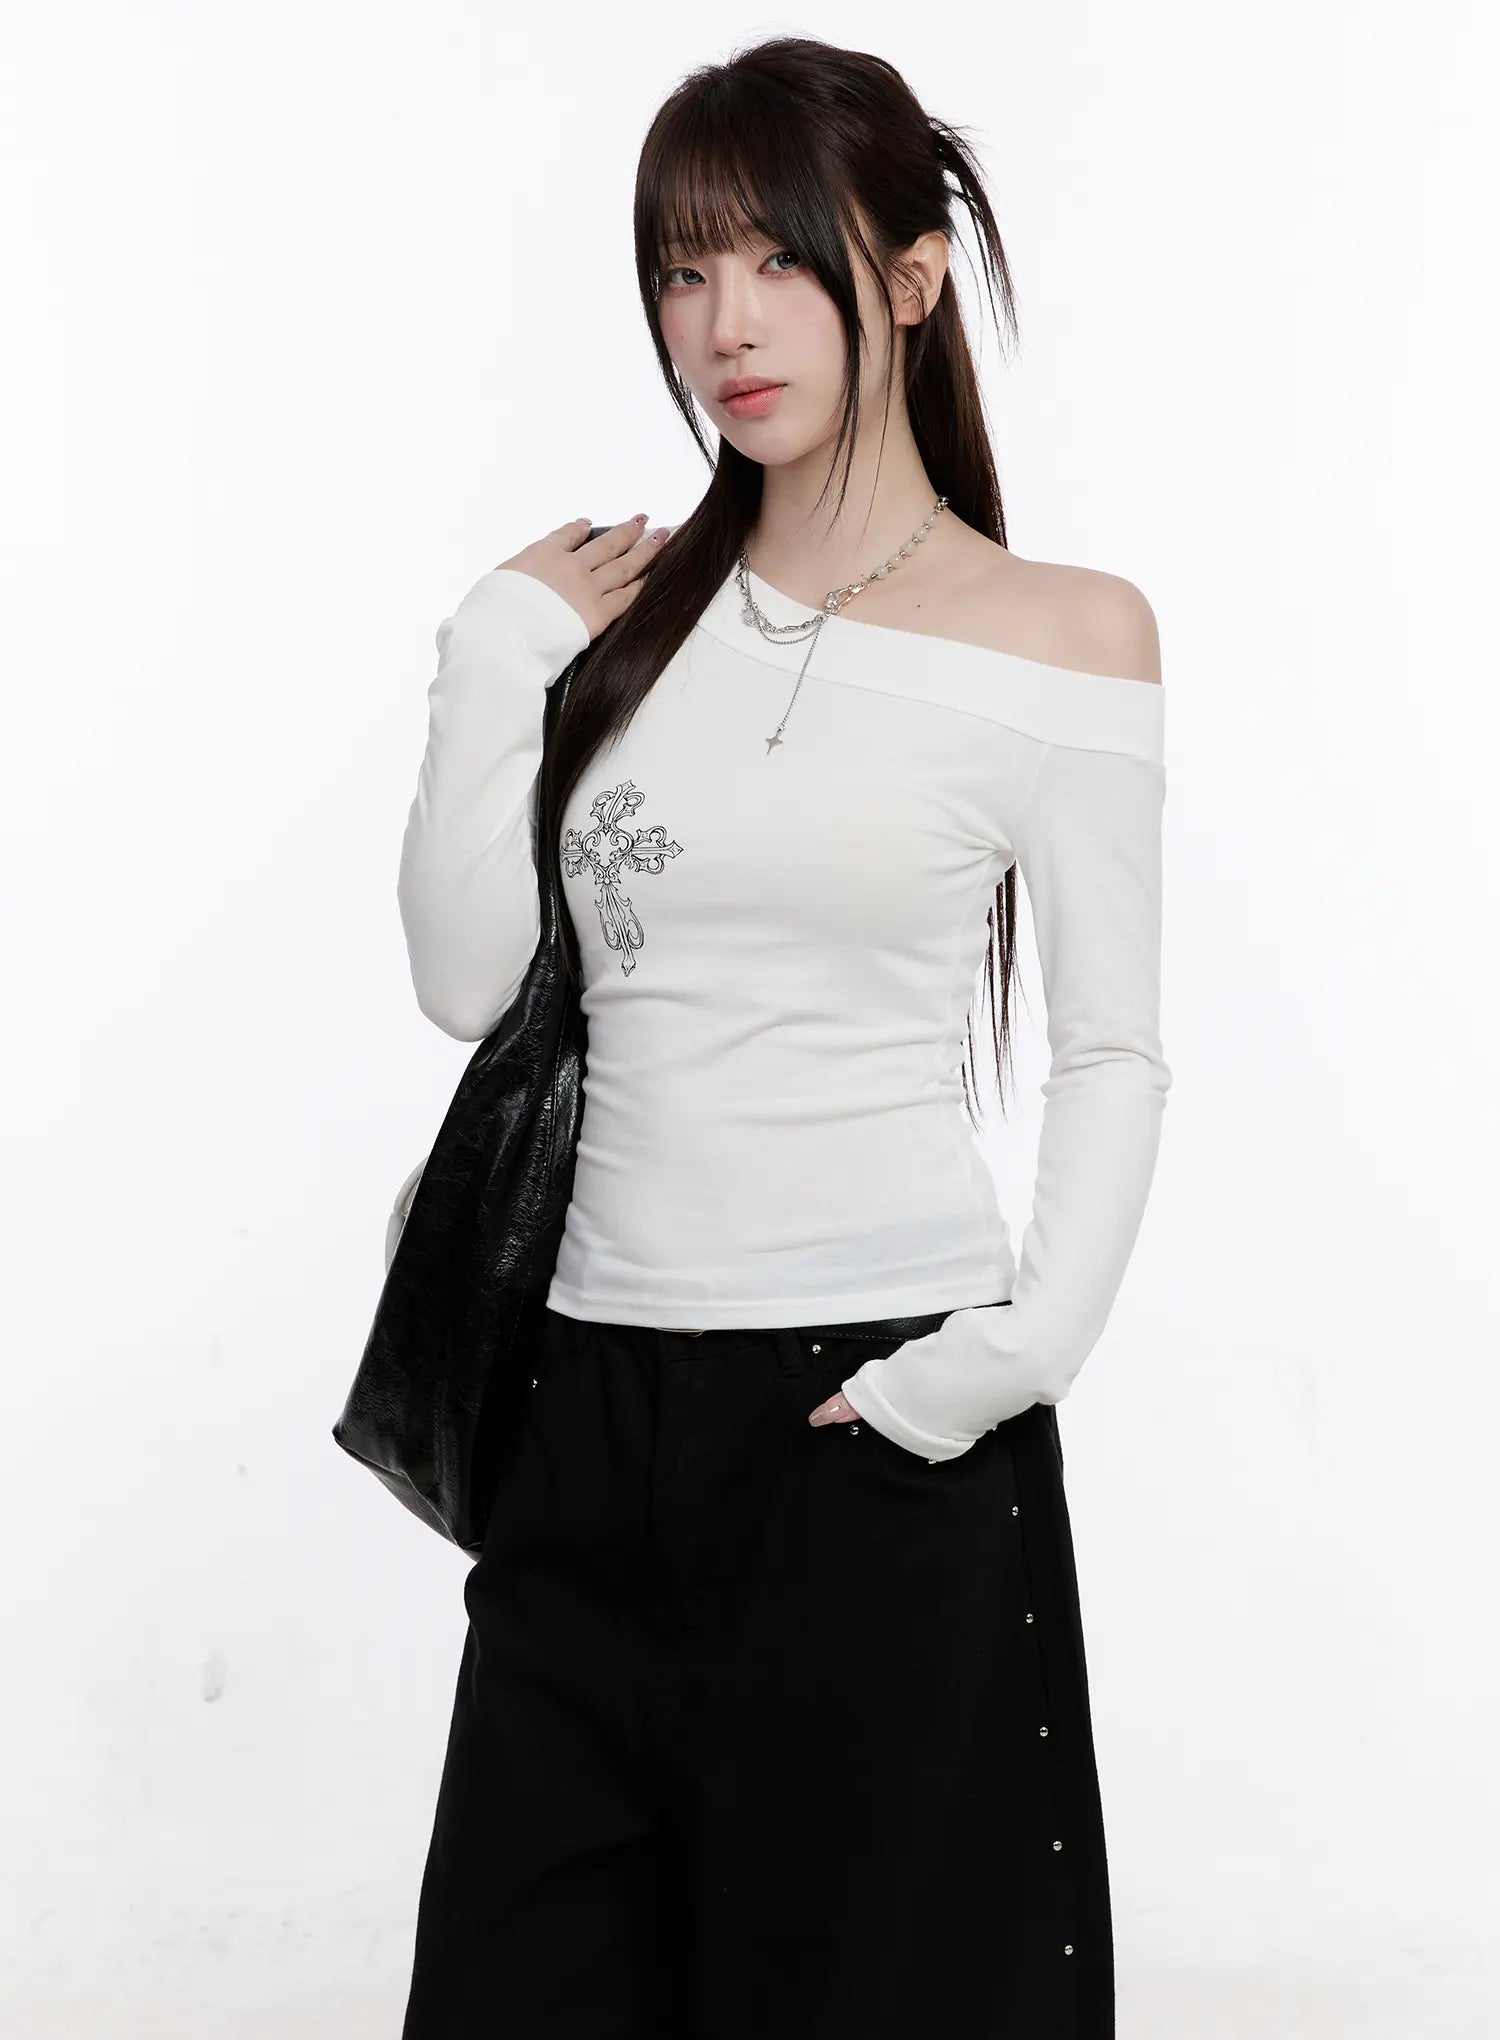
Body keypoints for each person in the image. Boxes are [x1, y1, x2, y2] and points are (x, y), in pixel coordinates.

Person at [394, 33, 1171, 2040]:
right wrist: (492, 657)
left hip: (871, 1414)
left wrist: (1005, 1362)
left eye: (771, 260)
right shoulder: (620, 620)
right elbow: (471, 982)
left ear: (907, 275)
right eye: (679, 269)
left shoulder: (1065, 636)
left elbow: (1111, 1048)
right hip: (586, 1401)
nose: (720, 325)